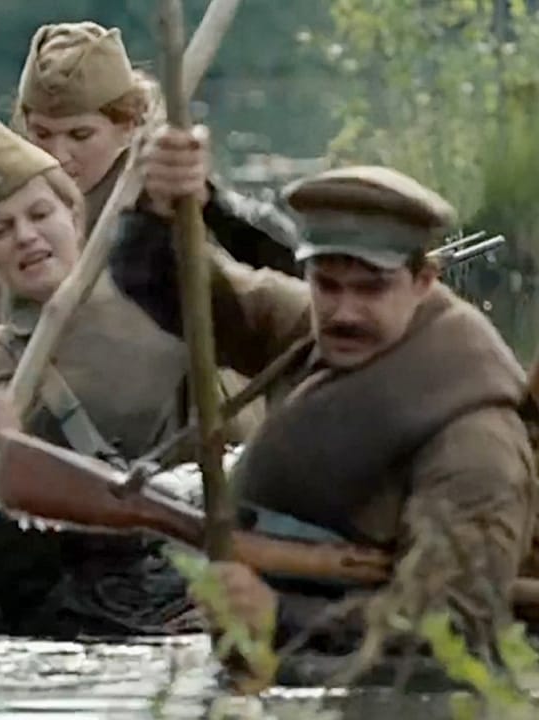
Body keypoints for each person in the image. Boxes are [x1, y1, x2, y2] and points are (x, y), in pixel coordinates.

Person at [118, 123, 537, 683]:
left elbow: (449, 638)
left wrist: (279, 616)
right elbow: (192, 297)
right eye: (327, 284)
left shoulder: (474, 443)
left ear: (423, 280)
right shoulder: (312, 335)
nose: (344, 313)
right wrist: (166, 202)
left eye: (370, 288)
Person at [0, 124, 200, 637]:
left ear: (75, 218)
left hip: (170, 599)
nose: (25, 236)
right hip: (38, 611)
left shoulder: (169, 322)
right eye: (1, 229)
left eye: (40, 215)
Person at [0, 21, 300, 444]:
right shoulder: (21, 209)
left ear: (129, 124)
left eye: (80, 135)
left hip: (195, 434)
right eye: (42, 134)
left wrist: (207, 199)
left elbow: (284, 267)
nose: (58, 154)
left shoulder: (166, 200)